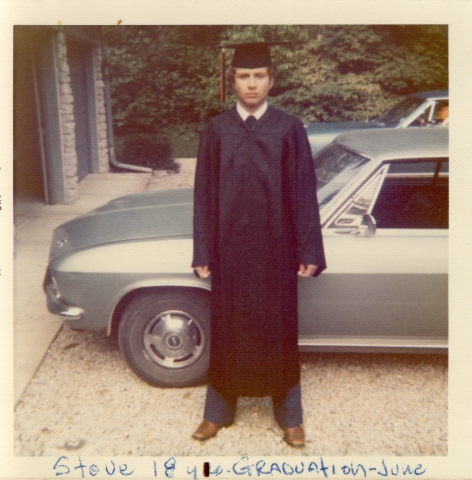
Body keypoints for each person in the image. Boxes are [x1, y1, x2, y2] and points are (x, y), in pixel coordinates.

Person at [191, 42, 326, 448]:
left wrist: (309, 250)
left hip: (277, 251)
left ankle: (289, 415)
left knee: (279, 329)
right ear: (232, 80)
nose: (251, 84)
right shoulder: (217, 129)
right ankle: (217, 412)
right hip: (230, 251)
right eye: (243, 76)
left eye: (259, 76)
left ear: (271, 80)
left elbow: (304, 191)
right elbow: (203, 194)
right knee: (229, 327)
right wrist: (202, 251)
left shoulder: (289, 127)